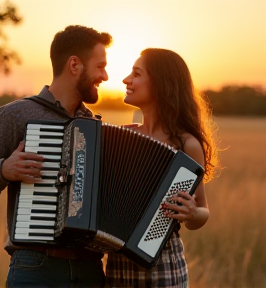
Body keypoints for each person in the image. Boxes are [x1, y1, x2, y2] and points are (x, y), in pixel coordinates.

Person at [0, 25, 112, 288]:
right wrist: (3, 170)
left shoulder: (95, 127)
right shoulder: (17, 114)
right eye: (100, 66)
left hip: (91, 269)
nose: (105, 76)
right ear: (75, 65)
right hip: (36, 268)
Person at [105, 48, 220, 288]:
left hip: (162, 266)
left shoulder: (186, 144)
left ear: (160, 83)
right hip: (117, 266)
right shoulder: (122, 136)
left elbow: (202, 211)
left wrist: (192, 213)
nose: (126, 79)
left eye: (136, 74)